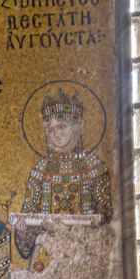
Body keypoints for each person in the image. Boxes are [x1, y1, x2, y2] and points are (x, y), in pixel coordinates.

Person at [14, 86, 112, 262]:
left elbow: (107, 230)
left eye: (61, 127)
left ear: (77, 128)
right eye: (50, 130)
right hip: (44, 260)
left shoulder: (95, 169)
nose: (56, 136)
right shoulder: (40, 171)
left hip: (82, 262)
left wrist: (67, 231)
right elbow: (29, 226)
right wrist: (23, 231)